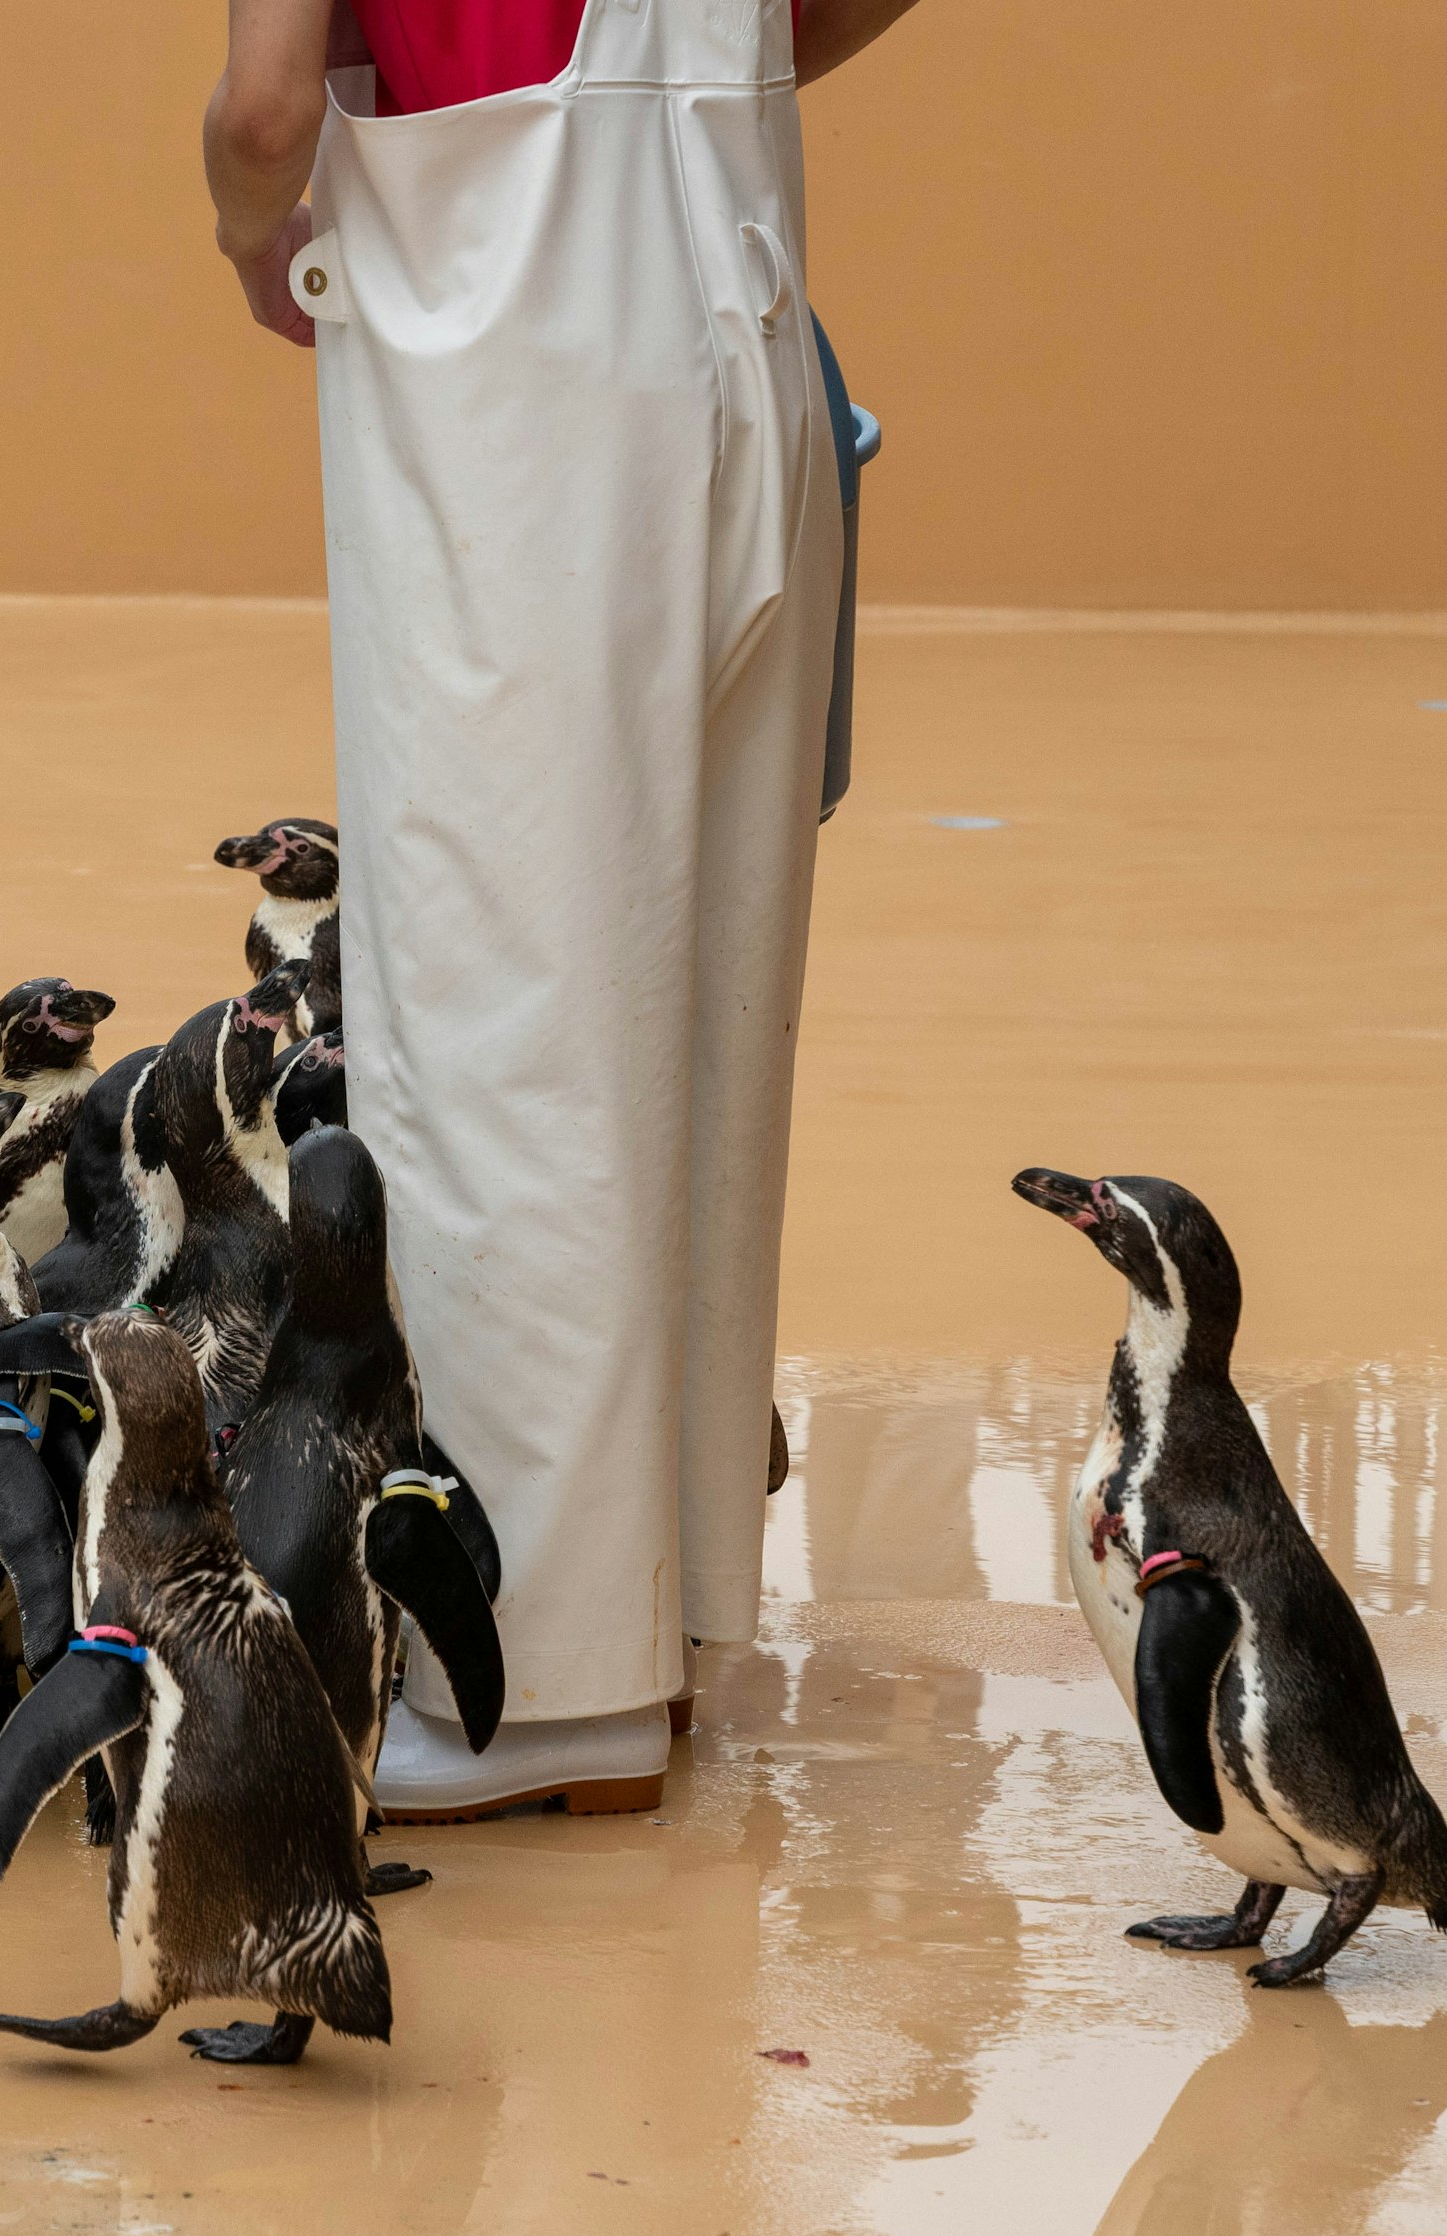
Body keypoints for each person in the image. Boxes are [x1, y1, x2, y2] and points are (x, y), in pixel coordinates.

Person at [202, 0, 921, 1821]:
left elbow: (269, 103)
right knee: (699, 992)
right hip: (746, 293)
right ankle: (662, 1633)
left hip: (512, 348)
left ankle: (536, 1691)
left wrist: (244, 229)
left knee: (500, 1008)